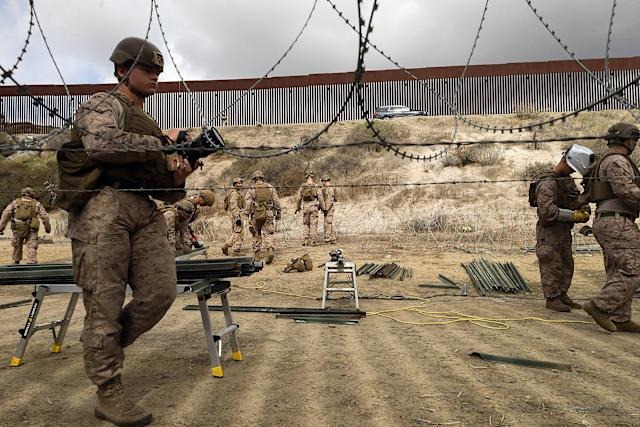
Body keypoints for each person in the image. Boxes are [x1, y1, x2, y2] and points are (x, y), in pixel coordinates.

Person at [57, 37, 194, 426]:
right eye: (147, 69)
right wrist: (162, 144)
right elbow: (101, 144)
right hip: (104, 207)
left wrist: (180, 171)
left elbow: (166, 189)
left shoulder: (147, 123)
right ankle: (108, 389)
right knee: (103, 302)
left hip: (143, 209)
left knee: (160, 293)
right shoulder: (102, 104)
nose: (155, 77)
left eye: (158, 72)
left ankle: (105, 346)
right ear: (122, 70)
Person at [582, 122, 640, 333]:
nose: (635, 144)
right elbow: (626, 191)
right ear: (626, 141)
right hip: (617, 222)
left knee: (618, 270)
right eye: (634, 140)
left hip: (611, 221)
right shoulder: (617, 161)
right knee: (635, 269)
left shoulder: (607, 160)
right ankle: (600, 306)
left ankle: (620, 317)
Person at [532, 145, 593, 312]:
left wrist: (583, 208)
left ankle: (561, 293)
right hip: (549, 230)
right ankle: (552, 298)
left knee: (567, 263)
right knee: (551, 263)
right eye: (571, 168)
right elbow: (547, 212)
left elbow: (574, 199)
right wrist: (573, 216)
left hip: (563, 230)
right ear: (564, 161)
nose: (572, 172)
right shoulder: (548, 183)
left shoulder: (566, 180)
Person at [0, 187, 52, 264]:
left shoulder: (15, 203)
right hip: (31, 228)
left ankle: (16, 262)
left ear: (23, 194)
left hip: (18, 227)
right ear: (32, 194)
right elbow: (45, 216)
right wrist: (48, 228)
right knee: (32, 246)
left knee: (17, 245)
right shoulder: (37, 204)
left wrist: (1, 228)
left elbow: (6, 214)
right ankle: (31, 262)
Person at [245, 171, 281, 264]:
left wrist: (247, 214)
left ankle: (257, 255)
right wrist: (278, 212)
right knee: (268, 233)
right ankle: (270, 250)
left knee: (256, 233)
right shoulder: (270, 187)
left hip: (256, 214)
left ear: (254, 179)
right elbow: (276, 201)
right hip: (268, 212)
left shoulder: (251, 189)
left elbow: (248, 204)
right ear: (262, 178)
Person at [295, 171, 325, 246]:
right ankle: (313, 240)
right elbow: (320, 198)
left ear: (306, 178)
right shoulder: (316, 186)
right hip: (314, 207)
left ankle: (306, 239)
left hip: (305, 207)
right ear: (313, 177)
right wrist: (323, 208)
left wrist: (298, 207)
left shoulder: (302, 186)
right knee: (313, 224)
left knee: (306, 224)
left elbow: (298, 198)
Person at [222, 177, 245, 255]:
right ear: (234, 185)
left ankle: (236, 251)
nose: (240, 185)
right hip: (236, 215)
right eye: (238, 183)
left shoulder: (237, 193)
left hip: (237, 214)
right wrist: (237, 217)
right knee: (238, 232)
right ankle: (226, 246)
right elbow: (233, 206)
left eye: (241, 183)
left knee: (240, 232)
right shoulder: (234, 193)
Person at [320, 175, 337, 244]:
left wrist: (326, 209)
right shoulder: (329, 188)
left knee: (327, 223)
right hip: (328, 208)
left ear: (324, 181)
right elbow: (336, 199)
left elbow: (330, 200)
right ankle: (333, 238)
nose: (322, 183)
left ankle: (328, 239)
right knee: (329, 223)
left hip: (329, 208)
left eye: (323, 182)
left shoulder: (330, 188)